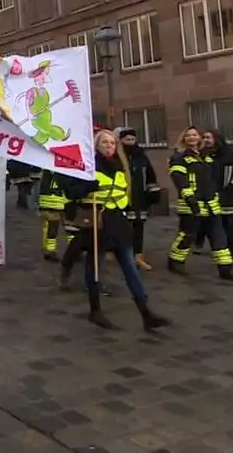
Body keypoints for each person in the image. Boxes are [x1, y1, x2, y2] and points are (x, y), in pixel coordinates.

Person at [56, 130, 171, 331]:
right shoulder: (88, 167)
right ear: (96, 145)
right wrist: (86, 187)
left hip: (119, 223)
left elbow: (124, 195)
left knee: (130, 268)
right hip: (97, 223)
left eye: (112, 143)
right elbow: (71, 192)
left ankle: (146, 313)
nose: (109, 146)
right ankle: (95, 310)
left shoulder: (120, 166)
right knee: (95, 268)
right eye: (104, 142)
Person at [167, 126, 233, 282]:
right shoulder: (179, 157)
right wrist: (190, 199)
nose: (192, 138)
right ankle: (175, 261)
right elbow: (179, 180)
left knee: (218, 236)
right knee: (188, 235)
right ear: (184, 139)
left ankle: (225, 269)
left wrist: (218, 194)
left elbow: (213, 179)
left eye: (194, 135)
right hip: (191, 204)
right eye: (188, 136)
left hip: (211, 204)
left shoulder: (207, 157)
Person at [114, 127, 160, 271]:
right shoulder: (116, 158)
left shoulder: (142, 157)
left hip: (140, 198)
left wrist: (153, 192)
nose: (130, 143)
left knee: (138, 228)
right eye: (127, 140)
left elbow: (150, 176)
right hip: (121, 199)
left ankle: (138, 257)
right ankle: (119, 254)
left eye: (133, 140)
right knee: (121, 229)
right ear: (121, 141)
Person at [200, 129, 233, 261]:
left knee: (229, 225)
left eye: (208, 137)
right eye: (203, 138)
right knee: (206, 223)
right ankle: (209, 247)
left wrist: (231, 188)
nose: (205, 140)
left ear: (216, 138)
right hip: (207, 196)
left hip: (226, 195)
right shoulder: (202, 154)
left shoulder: (231, 153)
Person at [37, 168, 67, 262]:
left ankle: (47, 249)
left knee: (47, 226)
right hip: (57, 198)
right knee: (63, 225)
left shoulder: (47, 165)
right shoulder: (64, 167)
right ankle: (51, 251)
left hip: (44, 196)